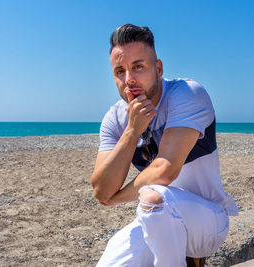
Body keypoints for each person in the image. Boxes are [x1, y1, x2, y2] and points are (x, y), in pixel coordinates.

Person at [91, 24, 238, 267]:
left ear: (158, 69)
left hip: (208, 221)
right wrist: (131, 130)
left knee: (152, 196)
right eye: (120, 71)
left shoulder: (187, 94)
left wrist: (116, 198)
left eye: (138, 67)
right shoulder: (115, 119)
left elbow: (165, 171)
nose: (129, 80)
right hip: (156, 221)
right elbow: (101, 189)